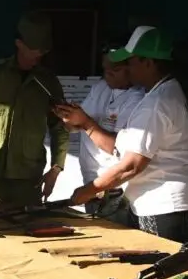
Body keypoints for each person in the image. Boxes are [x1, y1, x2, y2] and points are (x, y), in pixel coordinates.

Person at [71, 27, 188, 242]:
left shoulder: (156, 103)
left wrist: (88, 190)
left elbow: (132, 165)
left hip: (165, 203)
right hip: (170, 201)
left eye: (131, 61)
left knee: (161, 271)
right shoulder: (165, 92)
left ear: (149, 63)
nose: (128, 67)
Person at [0, 12, 68, 206]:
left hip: (29, 177)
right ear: (19, 44)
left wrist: (56, 168)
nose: (38, 54)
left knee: (28, 229)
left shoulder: (48, 81)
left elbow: (60, 127)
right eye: (34, 49)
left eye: (42, 51)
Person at [52, 44, 144, 224]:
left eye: (115, 70)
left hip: (116, 189)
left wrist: (85, 123)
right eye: (105, 69)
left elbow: (118, 149)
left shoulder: (140, 99)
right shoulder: (100, 87)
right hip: (91, 183)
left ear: (132, 68)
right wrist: (69, 119)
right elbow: (78, 125)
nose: (107, 74)